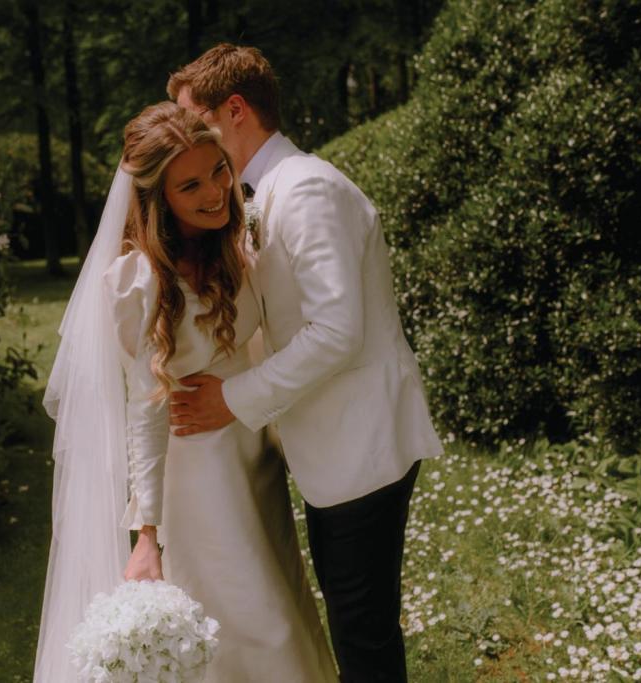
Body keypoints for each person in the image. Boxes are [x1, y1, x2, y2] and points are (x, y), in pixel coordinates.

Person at [32, 101, 337, 682]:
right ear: (158, 200)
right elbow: (144, 409)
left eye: (218, 170)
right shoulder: (140, 280)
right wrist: (147, 534)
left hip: (255, 461)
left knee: (284, 604)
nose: (215, 192)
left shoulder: (231, 244)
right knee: (252, 623)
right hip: (198, 482)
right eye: (190, 185)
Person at [167, 44, 444, 682]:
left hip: (361, 444)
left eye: (192, 119)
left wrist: (231, 399)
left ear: (234, 110)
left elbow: (337, 331)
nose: (184, 136)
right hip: (331, 446)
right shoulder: (262, 193)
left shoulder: (308, 188)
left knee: (363, 634)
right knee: (357, 626)